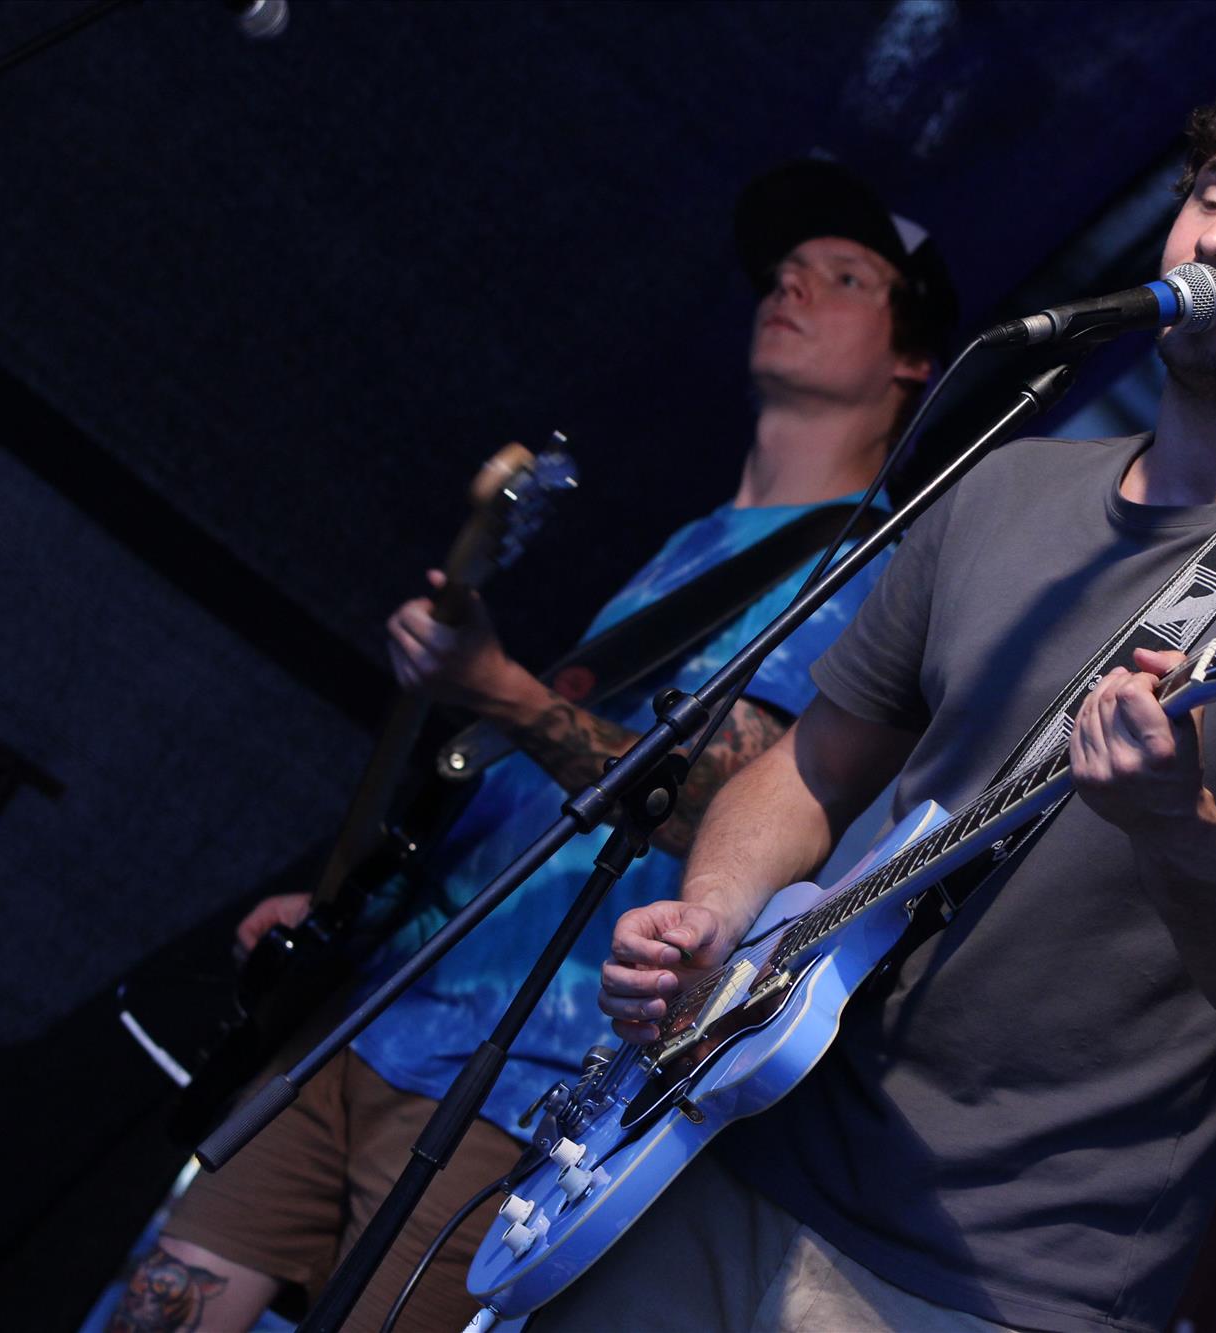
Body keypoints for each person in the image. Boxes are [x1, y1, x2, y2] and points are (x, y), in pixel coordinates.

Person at [557, 59, 1216, 1332]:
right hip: (725, 1137)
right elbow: (813, 765)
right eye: (1210, 193)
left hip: (990, 1275)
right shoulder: (1006, 486)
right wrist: (712, 915)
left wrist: (1181, 829)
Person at [104, 161, 958, 1333]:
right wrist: (366, 905)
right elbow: (536, 807)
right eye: (784, 270)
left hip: (518, 1085)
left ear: (913, 361)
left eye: (845, 277)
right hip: (378, 1010)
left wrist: (497, 689)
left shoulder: (863, 570)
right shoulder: (699, 539)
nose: (791, 286)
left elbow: (718, 802)